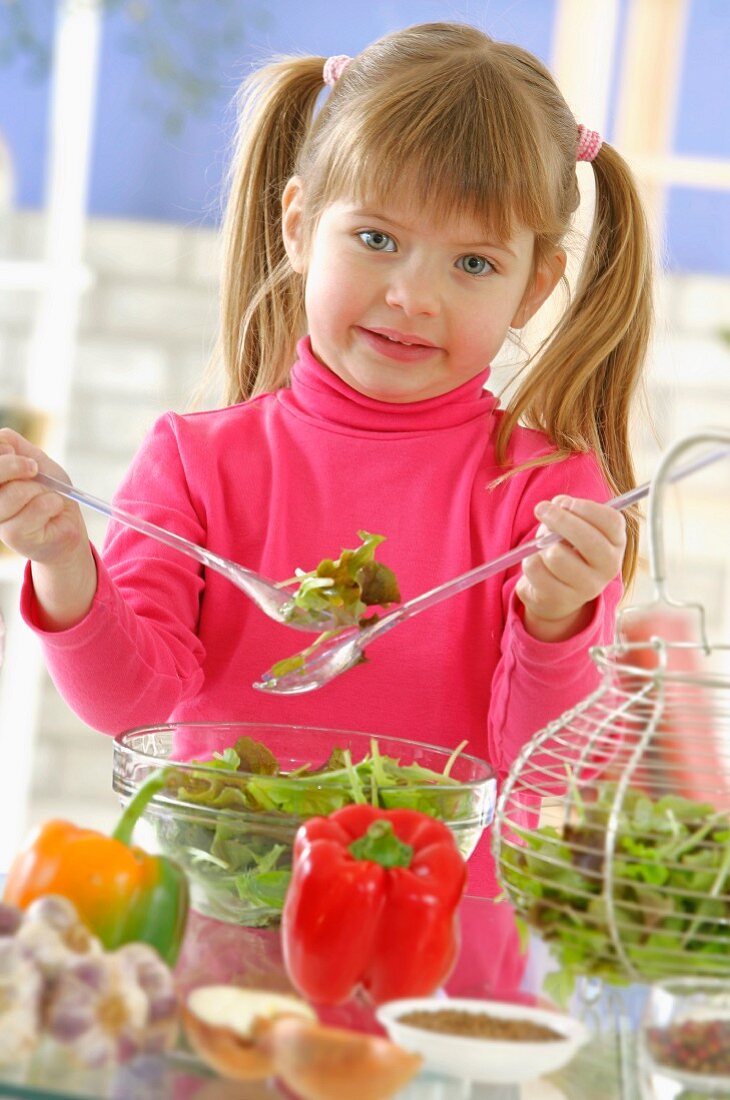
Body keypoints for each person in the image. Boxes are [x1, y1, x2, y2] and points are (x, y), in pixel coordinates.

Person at [0, 22, 651, 897]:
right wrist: (64, 559)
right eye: (377, 239)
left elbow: (543, 776)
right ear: (300, 226)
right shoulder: (196, 460)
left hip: (444, 963)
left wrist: (556, 620)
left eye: (472, 262)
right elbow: (132, 705)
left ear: (532, 288)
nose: (412, 296)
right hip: (216, 933)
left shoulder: (544, 497)